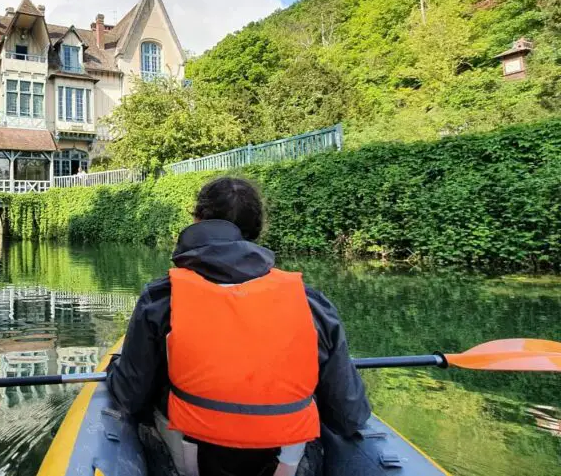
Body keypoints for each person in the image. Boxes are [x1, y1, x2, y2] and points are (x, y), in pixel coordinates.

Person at [106, 177, 371, 476]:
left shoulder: (160, 299)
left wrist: (116, 369)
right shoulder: (311, 304)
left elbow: (129, 396)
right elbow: (350, 415)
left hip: (187, 462)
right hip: (288, 463)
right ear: (256, 231)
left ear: (197, 220)